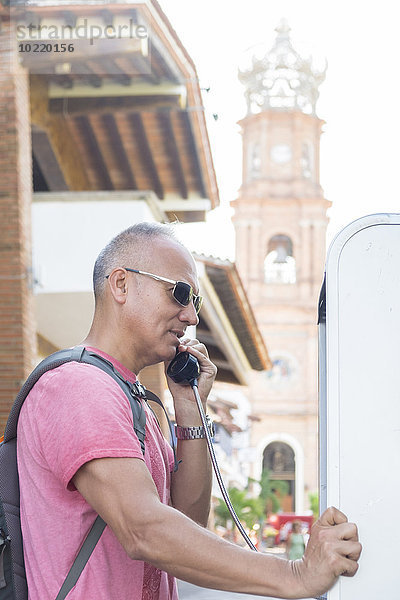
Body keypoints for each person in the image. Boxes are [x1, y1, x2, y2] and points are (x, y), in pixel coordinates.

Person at [17, 222, 362, 599]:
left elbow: (187, 525)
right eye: (179, 294)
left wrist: (190, 409)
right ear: (121, 285)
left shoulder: (134, 401)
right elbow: (144, 530)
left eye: (193, 303)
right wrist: (295, 575)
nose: (191, 317)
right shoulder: (78, 387)